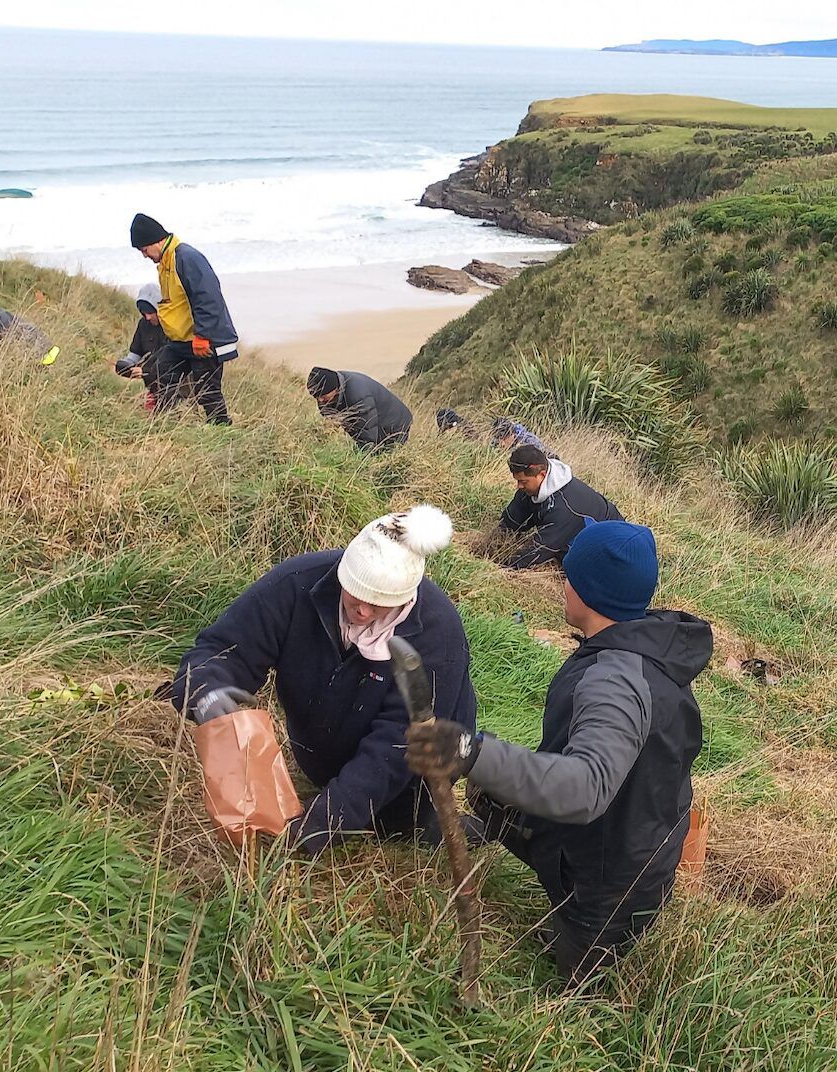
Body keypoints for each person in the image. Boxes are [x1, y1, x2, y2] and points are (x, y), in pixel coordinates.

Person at [407, 520, 711, 983]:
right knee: (495, 795)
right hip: (628, 829)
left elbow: (584, 789)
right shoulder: (637, 640)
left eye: (569, 574)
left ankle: (588, 937)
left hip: (614, 882)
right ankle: (518, 839)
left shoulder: (615, 682)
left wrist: (471, 753)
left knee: (574, 985)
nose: (562, 582)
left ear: (589, 591)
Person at [169, 505, 476, 855]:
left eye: (379, 604)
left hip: (409, 784)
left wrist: (326, 822)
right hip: (317, 758)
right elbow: (221, 649)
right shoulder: (296, 584)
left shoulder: (438, 631)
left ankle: (430, 824)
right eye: (356, 594)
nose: (362, 611)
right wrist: (207, 694)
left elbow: (396, 745)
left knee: (400, 829)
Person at [131, 213, 237, 425]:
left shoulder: (187, 257)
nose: (145, 256)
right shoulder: (165, 262)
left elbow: (208, 297)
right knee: (161, 372)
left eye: (144, 250)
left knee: (207, 390)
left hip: (204, 340)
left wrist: (202, 336)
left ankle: (222, 431)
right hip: (182, 340)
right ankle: (168, 423)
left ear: (156, 241)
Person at [497, 444, 621, 569]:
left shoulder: (565, 508)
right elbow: (511, 520)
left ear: (542, 475)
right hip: (571, 531)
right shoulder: (530, 488)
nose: (519, 486)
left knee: (571, 565)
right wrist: (494, 541)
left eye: (523, 482)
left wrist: (501, 566)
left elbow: (539, 550)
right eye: (517, 481)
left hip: (609, 553)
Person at [307, 366, 413, 452]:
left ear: (334, 389)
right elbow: (328, 420)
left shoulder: (357, 396)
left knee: (385, 462)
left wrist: (361, 465)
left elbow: (368, 435)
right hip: (374, 423)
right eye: (316, 396)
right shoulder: (329, 392)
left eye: (323, 395)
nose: (320, 400)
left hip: (395, 425)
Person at [114, 283, 167, 407]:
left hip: (172, 380)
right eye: (143, 313)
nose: (147, 317)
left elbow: (169, 358)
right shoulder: (143, 324)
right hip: (151, 382)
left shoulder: (172, 327)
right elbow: (136, 353)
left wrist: (145, 370)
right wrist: (126, 365)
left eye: (150, 312)